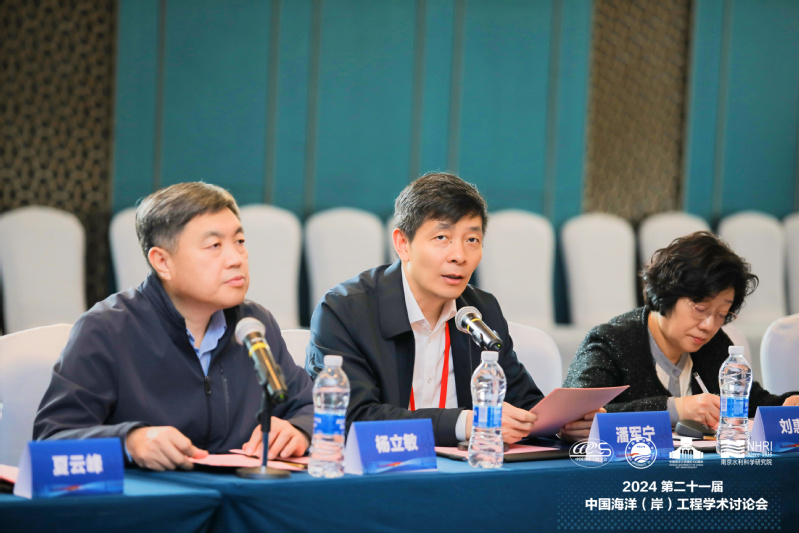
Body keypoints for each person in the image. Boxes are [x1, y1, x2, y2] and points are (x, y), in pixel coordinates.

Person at [34, 182, 314, 470]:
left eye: (239, 242)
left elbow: (311, 404)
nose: (236, 259)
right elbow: (52, 439)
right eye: (215, 246)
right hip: (151, 493)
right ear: (162, 262)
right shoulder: (107, 328)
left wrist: (299, 429)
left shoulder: (254, 324)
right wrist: (130, 441)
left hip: (241, 490)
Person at [306, 172, 598, 446]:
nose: (459, 256)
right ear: (403, 243)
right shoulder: (345, 310)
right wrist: (465, 423)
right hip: (382, 470)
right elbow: (349, 417)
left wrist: (563, 424)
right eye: (441, 238)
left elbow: (521, 402)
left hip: (466, 470)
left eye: (472, 240)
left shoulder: (481, 310)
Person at [563, 231, 799, 428]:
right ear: (667, 293)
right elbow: (573, 417)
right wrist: (676, 409)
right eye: (700, 308)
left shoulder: (715, 346)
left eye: (722, 314)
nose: (709, 326)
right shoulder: (610, 341)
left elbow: (751, 403)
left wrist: (786, 404)